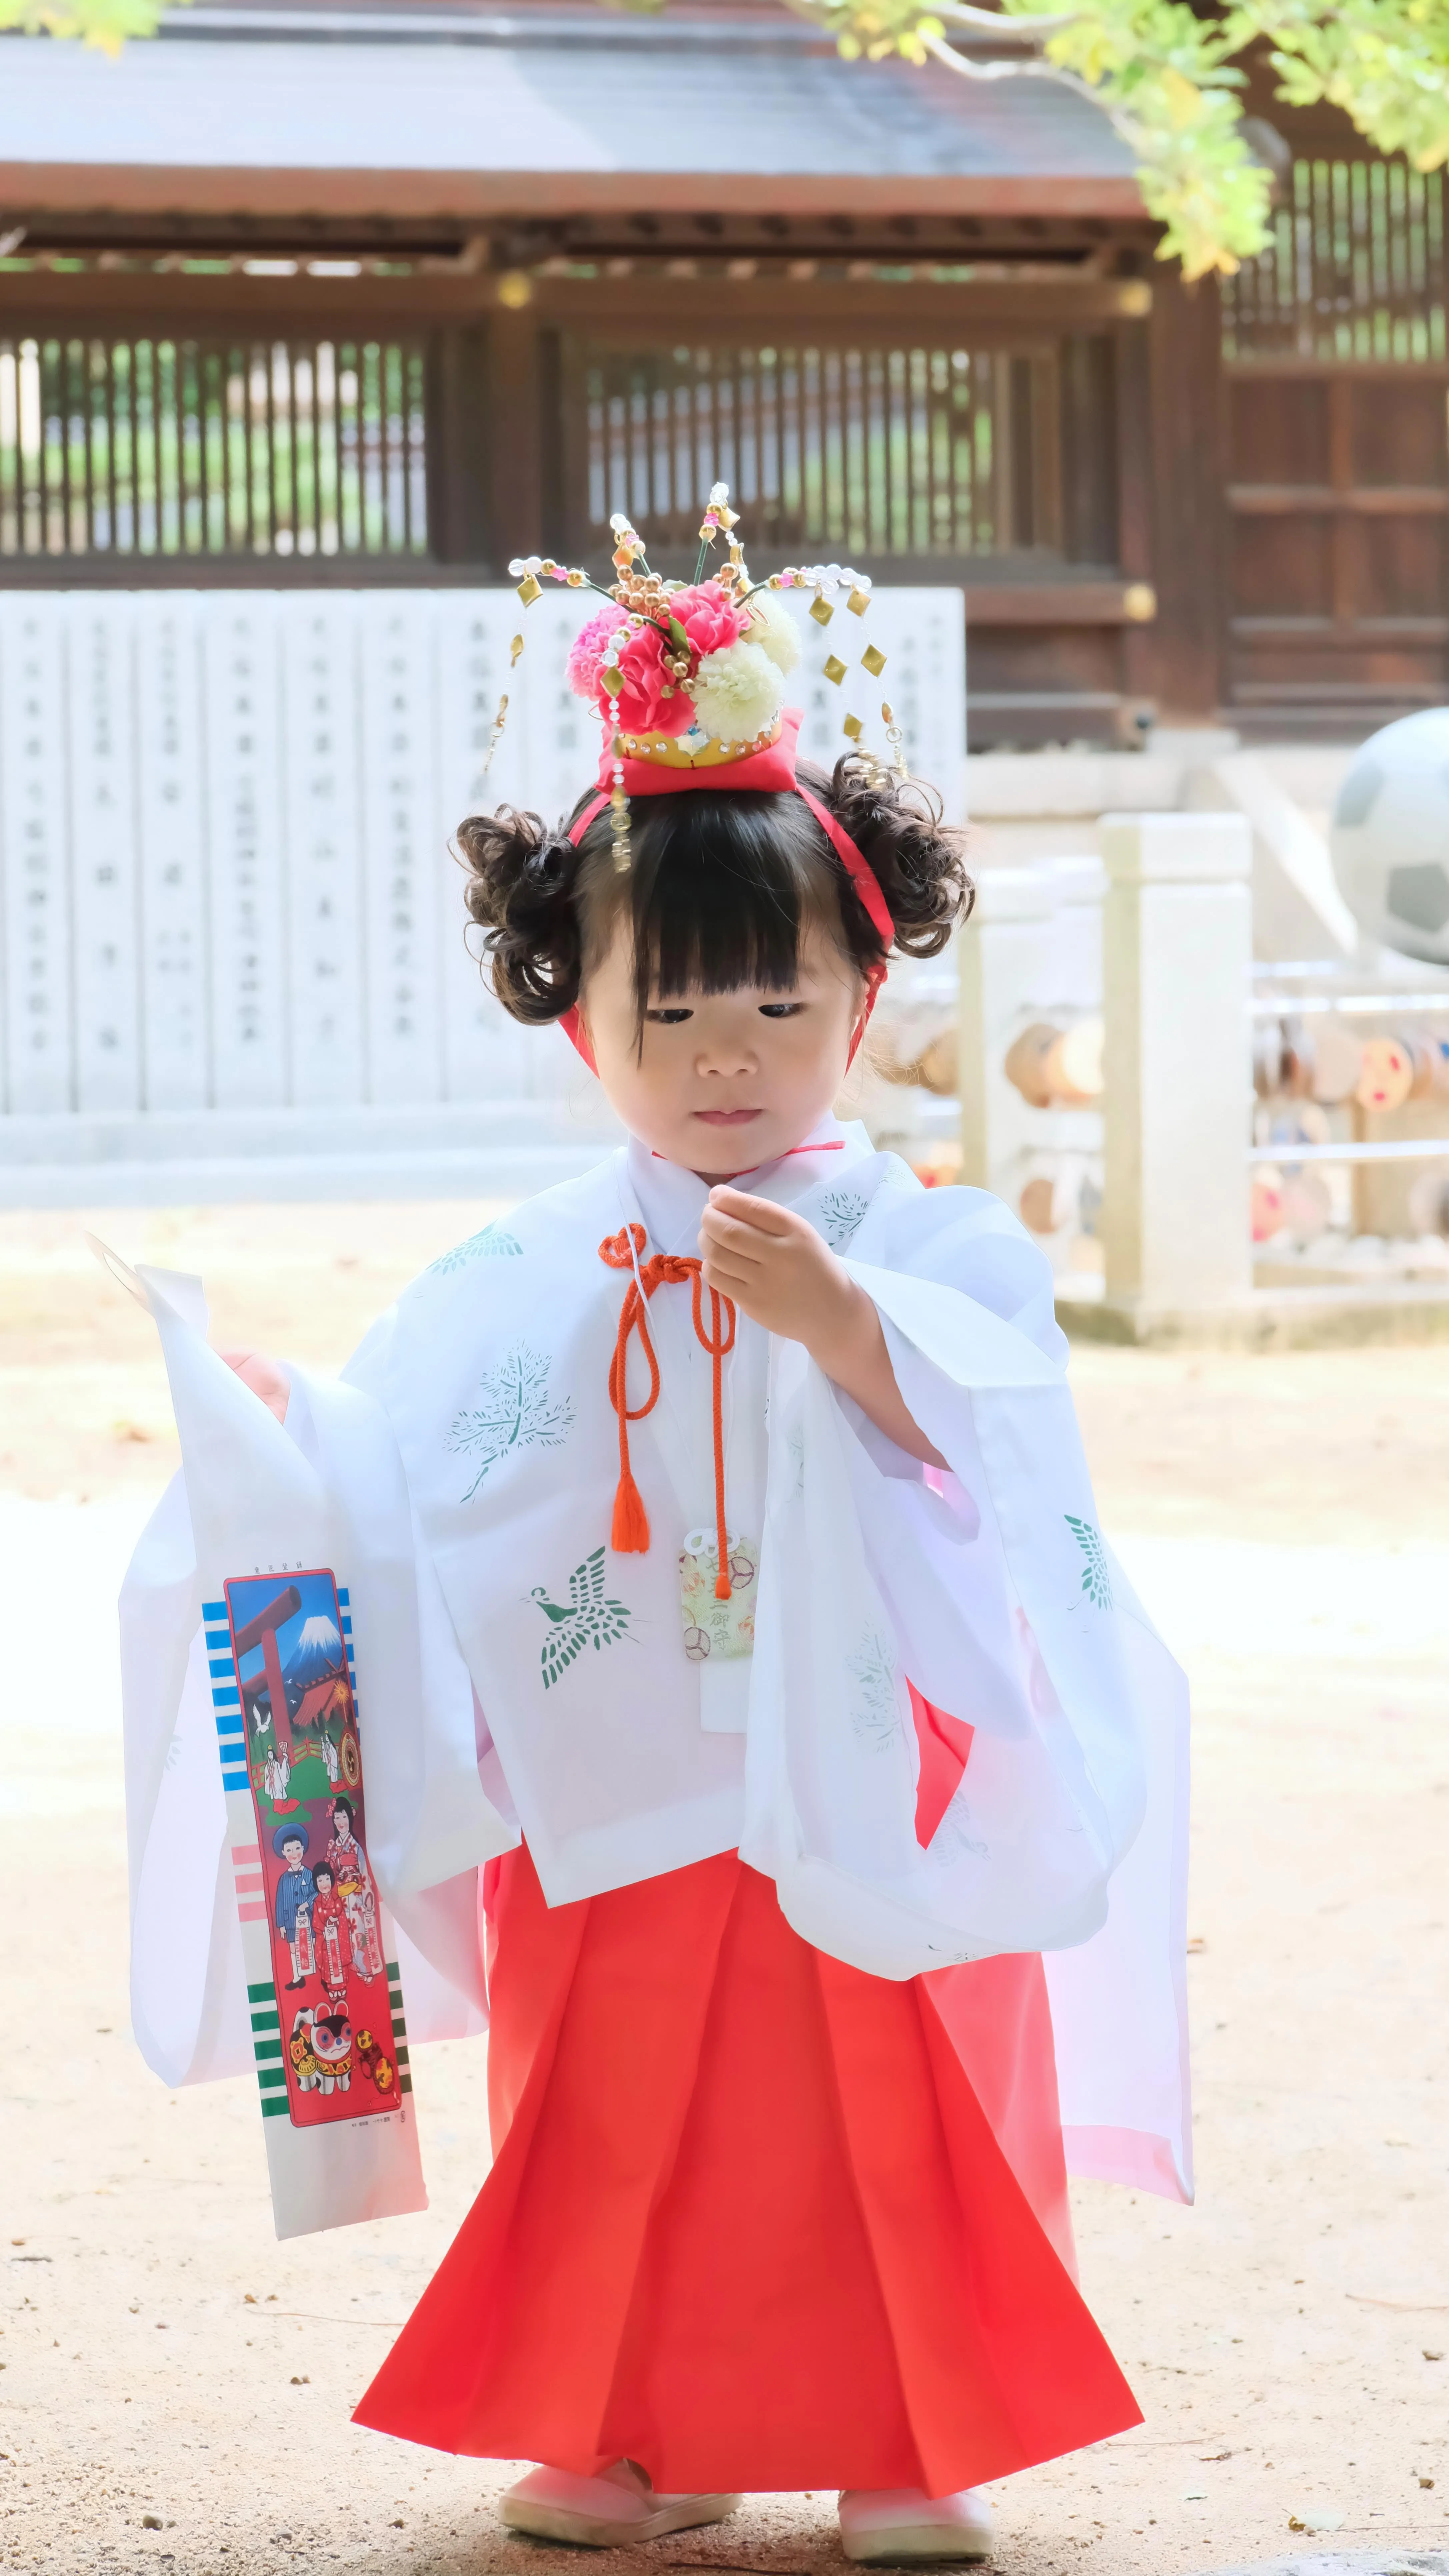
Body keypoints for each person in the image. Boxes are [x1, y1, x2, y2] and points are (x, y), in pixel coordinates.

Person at [139, 511, 1189, 2563]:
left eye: (773, 1005)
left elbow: (998, 1427)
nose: (724, 1056)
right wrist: (295, 1445)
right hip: (610, 1775)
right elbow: (406, 1457)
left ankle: (909, 2435)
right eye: (670, 1009)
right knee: (613, 2109)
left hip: (871, 1757)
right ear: (576, 1016)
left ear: (861, 993)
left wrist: (840, 1325)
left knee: (897, 2103)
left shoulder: (916, 1237)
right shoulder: (521, 1262)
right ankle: (627, 2428)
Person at [272, 1825, 315, 1992]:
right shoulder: (283, 1879)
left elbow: (316, 1894)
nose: (294, 1853)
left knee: (310, 1945)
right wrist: (281, 1925)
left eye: (297, 1848)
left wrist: (307, 1904)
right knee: (293, 1948)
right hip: (291, 1922)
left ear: (303, 1848)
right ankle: (298, 1977)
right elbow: (280, 1902)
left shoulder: (309, 1874)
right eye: (289, 1850)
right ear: (283, 1852)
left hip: (308, 1921)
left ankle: (314, 1974)